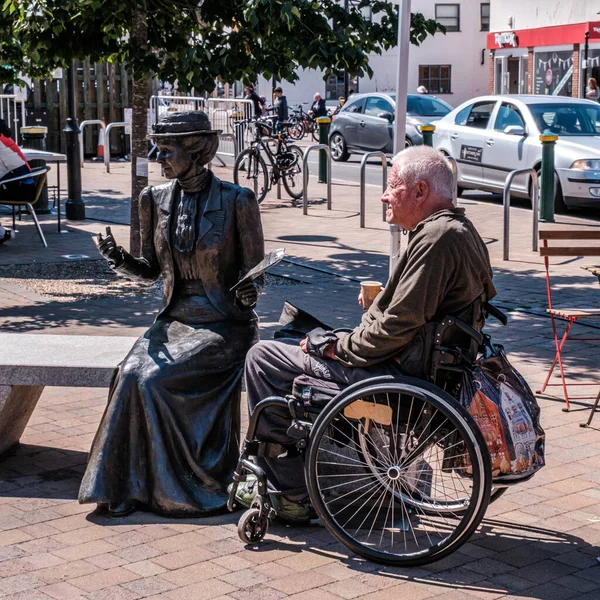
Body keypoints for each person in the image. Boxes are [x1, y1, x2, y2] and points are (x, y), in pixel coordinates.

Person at [233, 145, 496, 523]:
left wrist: (337, 347)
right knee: (294, 334)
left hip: (397, 374)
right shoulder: (458, 229)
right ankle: (304, 465)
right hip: (415, 362)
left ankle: (289, 487)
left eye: (392, 186)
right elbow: (411, 311)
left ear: (420, 191)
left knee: (262, 358)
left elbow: (395, 326)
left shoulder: (438, 239)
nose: (384, 195)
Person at [79, 111, 265, 517]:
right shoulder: (154, 199)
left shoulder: (238, 201)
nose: (158, 158)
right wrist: (119, 261)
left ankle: (184, 486)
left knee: (154, 379)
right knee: (131, 375)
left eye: (166, 150)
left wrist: (250, 292)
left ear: (196, 150)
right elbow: (150, 268)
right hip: (174, 319)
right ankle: (123, 486)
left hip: (223, 324)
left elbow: (256, 274)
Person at [0, 118, 34, 243]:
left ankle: (2, 234)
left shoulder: (1, 143)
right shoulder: (4, 138)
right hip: (21, 184)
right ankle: (2, 233)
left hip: (21, 187)